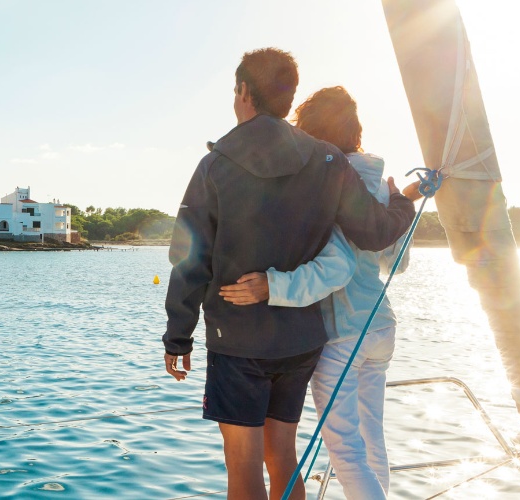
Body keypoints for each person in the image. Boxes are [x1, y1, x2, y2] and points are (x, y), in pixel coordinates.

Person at [162, 48, 417, 500]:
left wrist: (177, 336)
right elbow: (376, 233)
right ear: (289, 95)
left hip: (239, 339)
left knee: (242, 466)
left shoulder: (215, 164)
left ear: (243, 92)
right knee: (282, 455)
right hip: (302, 340)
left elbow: (189, 258)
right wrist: (402, 201)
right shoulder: (328, 161)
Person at [219, 86, 422, 499]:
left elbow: (338, 265)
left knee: (346, 452)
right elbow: (395, 263)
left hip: (343, 332)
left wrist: (271, 285)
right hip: (380, 328)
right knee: (371, 441)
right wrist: (402, 200)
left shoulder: (326, 182)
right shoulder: (382, 186)